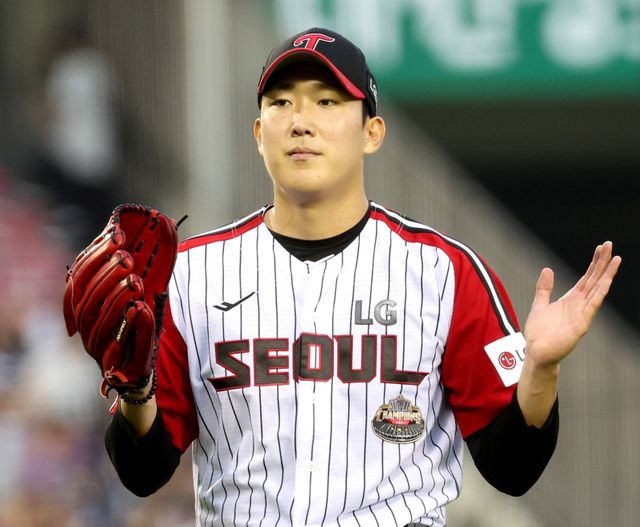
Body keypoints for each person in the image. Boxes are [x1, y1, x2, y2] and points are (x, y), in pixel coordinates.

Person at [102, 28, 621, 526]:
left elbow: (513, 468)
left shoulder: (443, 272)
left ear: (372, 133)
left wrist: (542, 369)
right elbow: (143, 472)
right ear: (259, 134)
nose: (300, 122)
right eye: (281, 103)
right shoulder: (189, 275)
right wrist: (136, 390)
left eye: (326, 101)